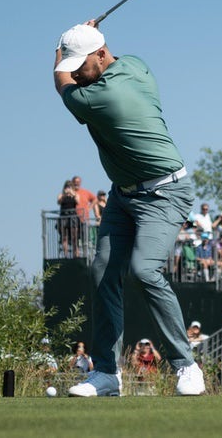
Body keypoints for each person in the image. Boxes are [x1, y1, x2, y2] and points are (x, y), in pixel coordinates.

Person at [53, 21, 204, 396]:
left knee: (144, 269)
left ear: (101, 55)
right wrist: (82, 38)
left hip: (164, 193)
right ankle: (106, 373)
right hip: (123, 194)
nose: (75, 70)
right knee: (103, 270)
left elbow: (64, 87)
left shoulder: (102, 98)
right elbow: (92, 66)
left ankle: (187, 366)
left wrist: (57, 55)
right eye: (71, 62)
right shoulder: (135, 64)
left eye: (79, 63)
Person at [57, 179, 80, 258]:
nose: (68, 188)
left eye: (70, 186)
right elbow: (58, 202)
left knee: (74, 237)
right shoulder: (61, 195)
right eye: (67, 186)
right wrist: (64, 195)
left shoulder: (75, 194)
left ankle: (76, 255)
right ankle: (66, 255)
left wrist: (72, 194)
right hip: (63, 217)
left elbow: (78, 201)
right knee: (64, 237)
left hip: (73, 217)